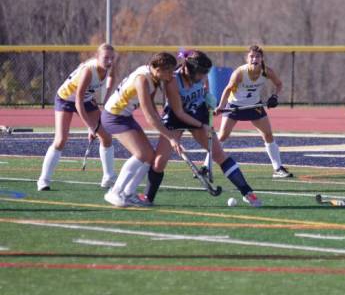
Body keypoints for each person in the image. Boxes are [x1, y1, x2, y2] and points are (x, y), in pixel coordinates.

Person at [141, 50, 262, 207]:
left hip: (198, 113)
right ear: (188, 70)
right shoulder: (172, 81)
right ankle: (147, 198)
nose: (202, 77)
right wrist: (201, 126)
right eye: (199, 74)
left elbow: (205, 89)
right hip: (176, 117)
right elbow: (179, 112)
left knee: (219, 155)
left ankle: (247, 192)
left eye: (204, 74)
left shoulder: (202, 74)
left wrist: (208, 101)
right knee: (159, 161)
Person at [101, 53, 183, 207]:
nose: (171, 75)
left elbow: (152, 105)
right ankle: (115, 191)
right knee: (141, 154)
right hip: (113, 116)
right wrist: (170, 136)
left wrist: (163, 124)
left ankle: (128, 194)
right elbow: (148, 115)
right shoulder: (142, 80)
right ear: (157, 69)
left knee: (150, 156)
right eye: (169, 71)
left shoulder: (154, 78)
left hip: (125, 116)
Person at [37, 43, 118, 191]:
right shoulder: (88, 71)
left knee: (106, 137)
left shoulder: (110, 67)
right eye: (106, 58)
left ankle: (109, 178)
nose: (110, 61)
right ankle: (44, 180)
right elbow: (77, 102)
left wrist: (105, 102)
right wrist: (91, 127)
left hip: (86, 100)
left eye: (112, 58)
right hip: (67, 99)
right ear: (97, 57)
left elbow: (112, 77)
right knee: (61, 139)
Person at [214, 44, 293, 178]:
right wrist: (221, 106)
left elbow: (279, 84)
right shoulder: (240, 72)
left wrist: (274, 96)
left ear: (261, 59)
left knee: (268, 135)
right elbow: (228, 89)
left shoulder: (267, 71)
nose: (254, 59)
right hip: (235, 105)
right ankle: (206, 167)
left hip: (253, 106)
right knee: (222, 136)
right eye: (251, 56)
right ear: (247, 58)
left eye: (257, 56)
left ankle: (278, 169)